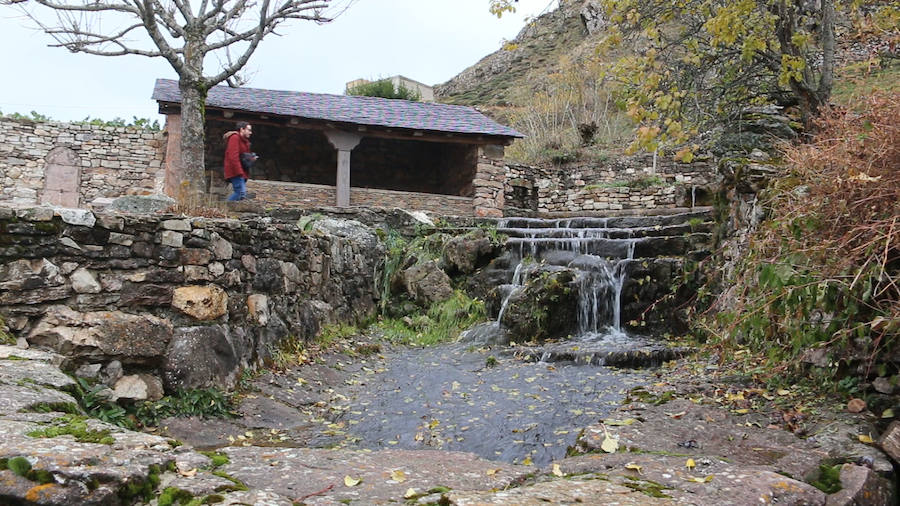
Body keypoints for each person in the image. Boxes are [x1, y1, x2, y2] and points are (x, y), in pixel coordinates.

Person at [223, 121, 256, 201]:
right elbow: (233, 157)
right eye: (248, 130)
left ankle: (226, 210)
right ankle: (223, 208)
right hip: (236, 171)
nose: (250, 132)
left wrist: (251, 158)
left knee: (241, 195)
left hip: (241, 172)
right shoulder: (235, 138)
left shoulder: (244, 141)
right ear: (242, 129)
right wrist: (239, 172)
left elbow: (243, 156)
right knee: (240, 193)